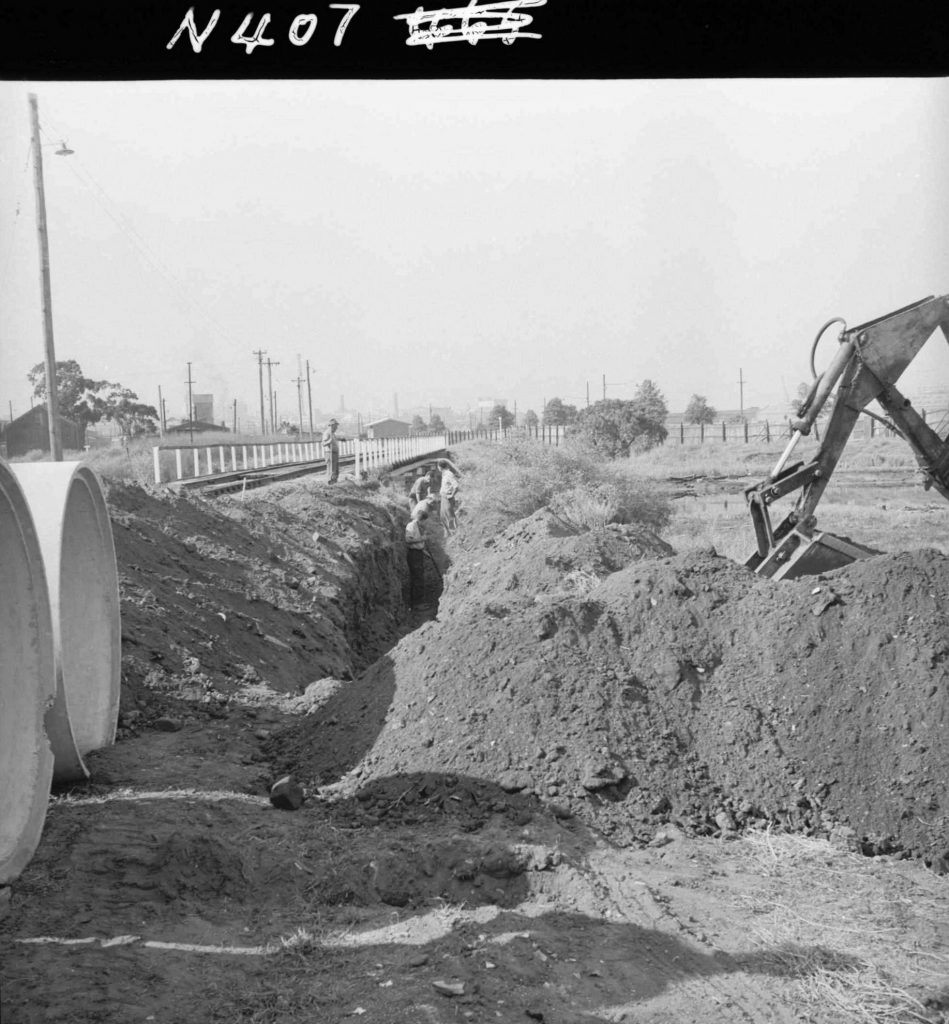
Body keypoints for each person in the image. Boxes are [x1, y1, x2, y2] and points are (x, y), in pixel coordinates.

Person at [404, 506, 429, 610]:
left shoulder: (418, 526)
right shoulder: (411, 526)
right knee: (418, 578)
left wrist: (423, 550)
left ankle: (419, 602)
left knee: (420, 577)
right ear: (421, 519)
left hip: (418, 553)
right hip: (414, 554)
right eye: (425, 521)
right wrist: (422, 539)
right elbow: (408, 540)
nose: (425, 524)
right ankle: (417, 604)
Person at [437, 458, 460, 532]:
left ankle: (456, 532)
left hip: (448, 497)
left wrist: (452, 495)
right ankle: (448, 532)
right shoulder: (444, 474)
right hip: (443, 497)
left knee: (450, 515)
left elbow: (456, 486)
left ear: (439, 467)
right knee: (443, 516)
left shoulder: (449, 474)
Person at [321, 418, 344, 483]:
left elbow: (335, 439)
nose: (337, 428)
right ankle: (330, 482)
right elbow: (323, 443)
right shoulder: (327, 433)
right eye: (336, 426)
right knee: (331, 469)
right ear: (332, 425)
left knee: (335, 470)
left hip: (334, 454)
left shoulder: (332, 433)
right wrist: (329, 442)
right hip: (330, 453)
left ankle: (334, 482)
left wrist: (341, 439)